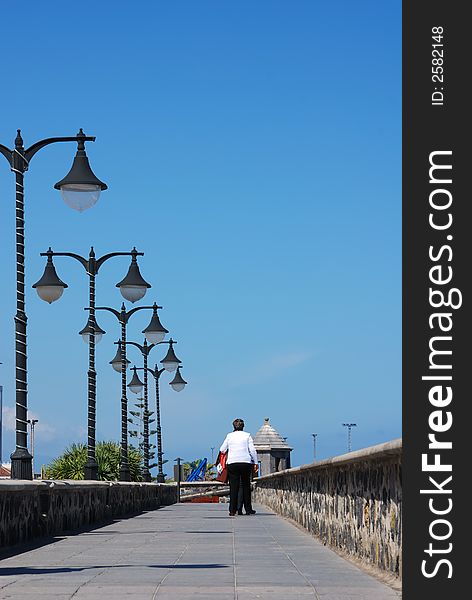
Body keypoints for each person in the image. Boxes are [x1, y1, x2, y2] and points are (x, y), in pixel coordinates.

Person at [219, 418, 258, 516]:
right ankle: (248, 509)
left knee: (234, 487)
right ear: (243, 426)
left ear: (233, 426)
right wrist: (256, 463)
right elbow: (252, 450)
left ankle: (233, 510)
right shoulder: (247, 435)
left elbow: (222, 449)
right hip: (245, 462)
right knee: (246, 486)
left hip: (232, 463)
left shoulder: (229, 436)